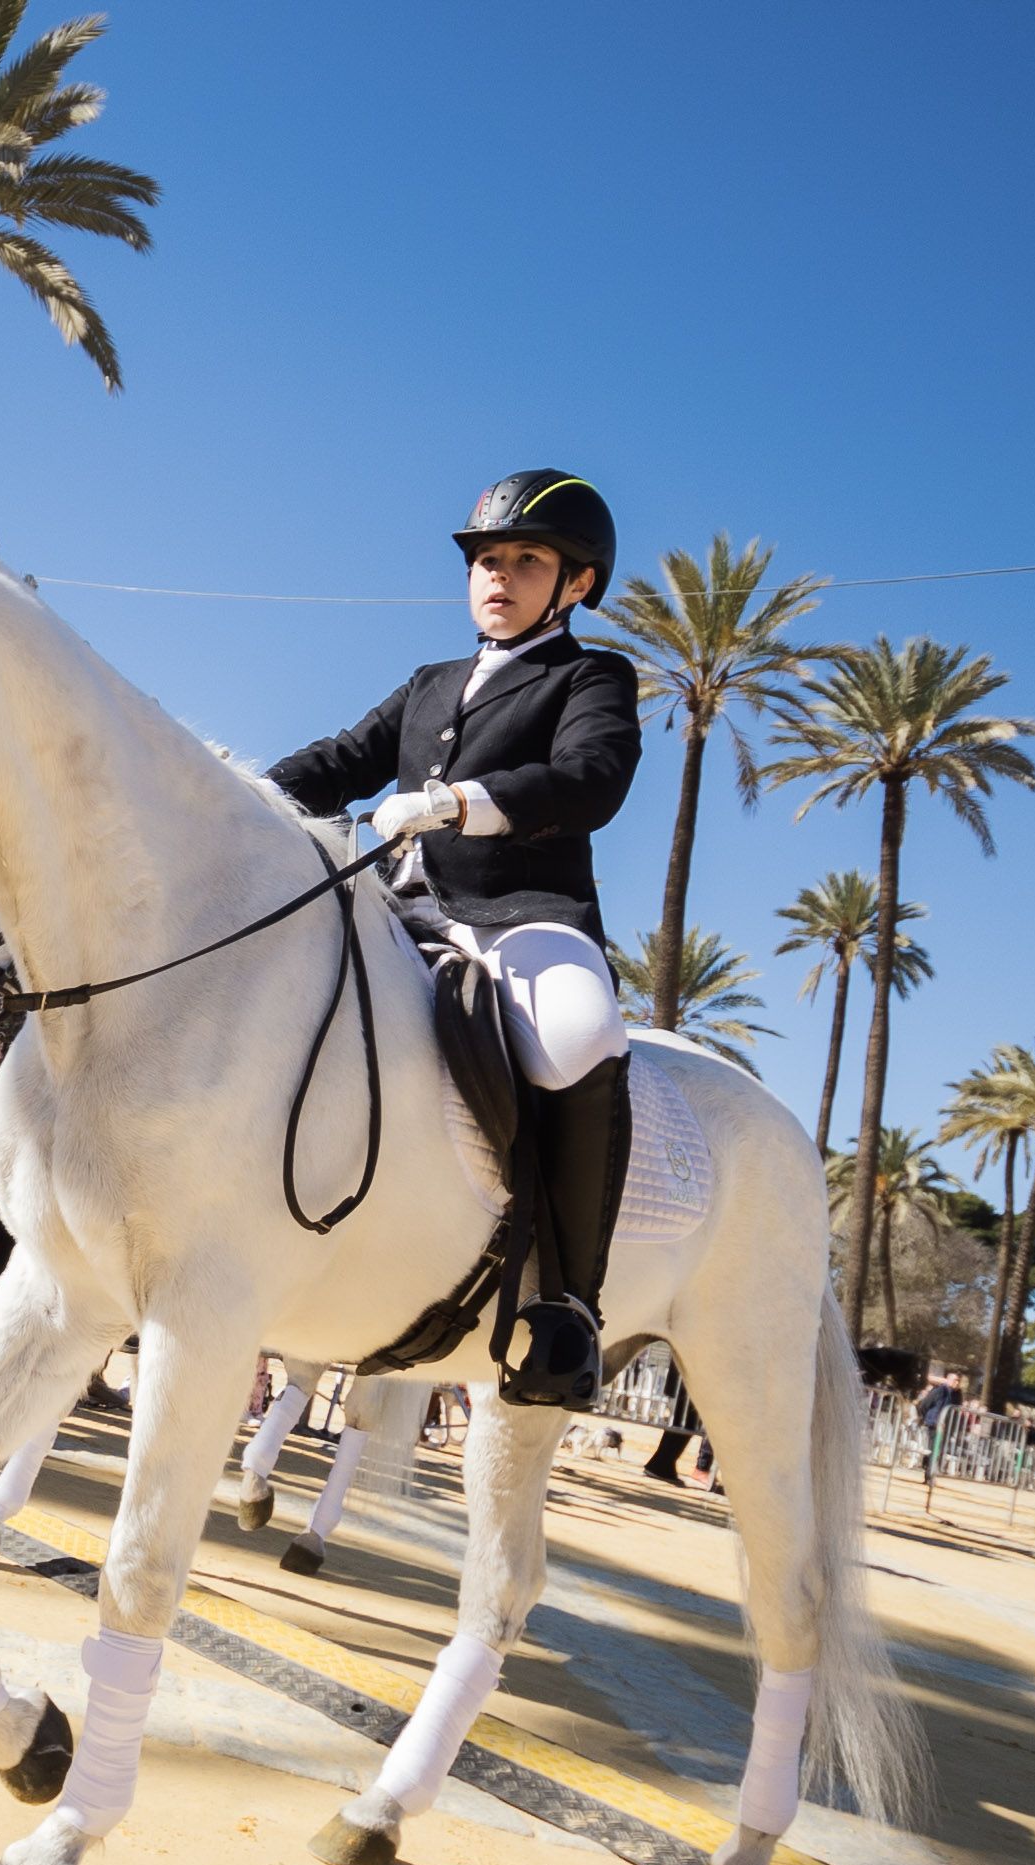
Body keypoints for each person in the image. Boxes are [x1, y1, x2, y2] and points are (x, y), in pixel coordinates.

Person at [265, 469, 638, 1406]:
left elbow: (592, 779)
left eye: (526, 560)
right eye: (485, 560)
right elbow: (339, 761)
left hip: (519, 917)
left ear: (576, 583)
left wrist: (461, 803)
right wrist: (239, 796)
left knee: (581, 1035)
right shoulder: (429, 683)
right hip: (399, 909)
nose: (497, 577)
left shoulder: (591, 676)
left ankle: (568, 1305)